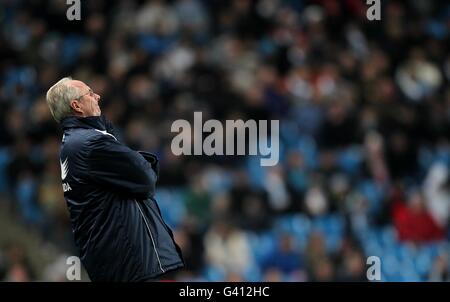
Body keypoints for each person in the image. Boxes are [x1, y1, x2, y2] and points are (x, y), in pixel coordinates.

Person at [45, 77, 184, 281]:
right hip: (126, 261)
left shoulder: (76, 141)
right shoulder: (89, 143)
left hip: (117, 258)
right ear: (76, 105)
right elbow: (146, 179)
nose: (97, 96)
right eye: (90, 93)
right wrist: (141, 162)